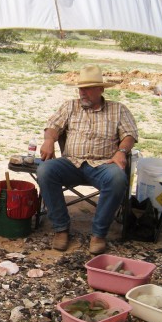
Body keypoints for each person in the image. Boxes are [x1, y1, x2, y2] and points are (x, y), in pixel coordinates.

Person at [36, 65, 138, 254]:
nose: (83, 92)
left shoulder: (118, 109)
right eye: (81, 88)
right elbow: (52, 126)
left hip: (103, 164)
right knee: (45, 170)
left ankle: (98, 234)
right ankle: (61, 229)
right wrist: (49, 140)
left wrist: (121, 151)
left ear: (101, 89)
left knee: (117, 179)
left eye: (88, 88)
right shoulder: (70, 106)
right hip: (71, 162)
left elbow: (129, 135)